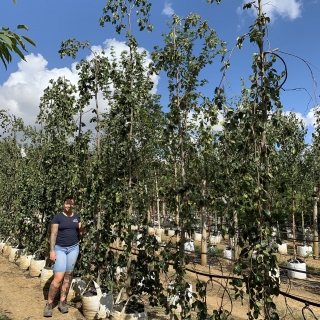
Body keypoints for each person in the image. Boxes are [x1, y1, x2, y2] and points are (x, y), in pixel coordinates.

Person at [43, 196, 83, 317]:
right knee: (59, 276)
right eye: (67, 203)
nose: (69, 206)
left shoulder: (77, 217)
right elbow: (53, 234)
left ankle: (62, 302)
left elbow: (80, 232)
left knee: (68, 274)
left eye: (71, 204)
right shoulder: (58, 217)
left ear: (73, 205)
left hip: (73, 248)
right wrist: (52, 251)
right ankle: (49, 304)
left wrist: (83, 228)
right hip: (60, 248)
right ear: (63, 204)